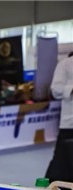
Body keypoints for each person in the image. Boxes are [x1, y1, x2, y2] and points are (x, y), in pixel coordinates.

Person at [45, 53, 73, 182]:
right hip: (69, 124)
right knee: (61, 164)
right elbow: (55, 89)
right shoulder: (65, 64)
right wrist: (71, 89)